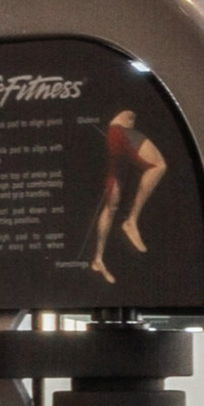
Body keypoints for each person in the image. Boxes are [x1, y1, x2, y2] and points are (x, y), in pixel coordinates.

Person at [84, 110, 168, 284]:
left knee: (112, 206)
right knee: (158, 165)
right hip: (119, 132)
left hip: (115, 138)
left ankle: (98, 259)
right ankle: (131, 220)